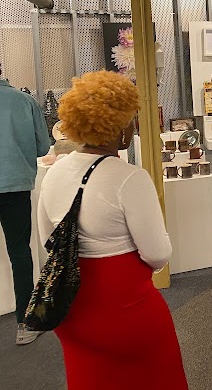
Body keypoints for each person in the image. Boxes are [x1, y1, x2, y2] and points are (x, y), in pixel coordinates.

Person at [38, 70, 188, 387]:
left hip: (71, 311)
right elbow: (158, 255)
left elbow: (47, 240)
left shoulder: (55, 173)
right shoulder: (130, 178)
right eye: (131, 119)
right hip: (126, 313)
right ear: (118, 127)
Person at [0, 64, 51, 345]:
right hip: (16, 186)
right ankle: (25, 324)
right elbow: (43, 148)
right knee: (20, 253)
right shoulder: (25, 101)